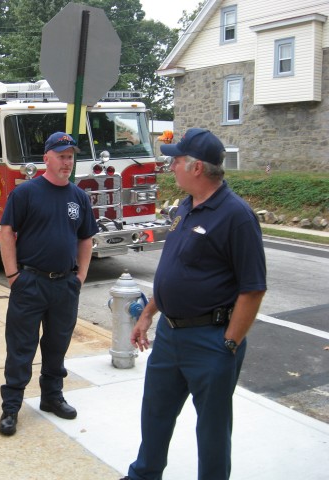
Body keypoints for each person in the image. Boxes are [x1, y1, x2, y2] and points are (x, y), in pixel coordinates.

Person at [121, 128, 267, 480]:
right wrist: (148, 313)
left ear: (196, 167)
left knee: (213, 429)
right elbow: (175, 271)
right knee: (155, 412)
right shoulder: (185, 208)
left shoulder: (236, 216)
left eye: (175, 160)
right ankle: (144, 474)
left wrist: (229, 343)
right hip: (170, 335)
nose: (170, 166)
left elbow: (253, 289)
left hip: (210, 339)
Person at [0, 132, 99, 436]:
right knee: (21, 349)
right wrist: (13, 275)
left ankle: (51, 397)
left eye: (71, 157)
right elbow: (7, 232)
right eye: (61, 156)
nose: (67, 162)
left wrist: (80, 276)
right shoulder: (27, 192)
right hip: (30, 283)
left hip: (64, 285)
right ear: (47, 158)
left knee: (57, 347)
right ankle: (11, 407)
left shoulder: (78, 197)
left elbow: (86, 238)